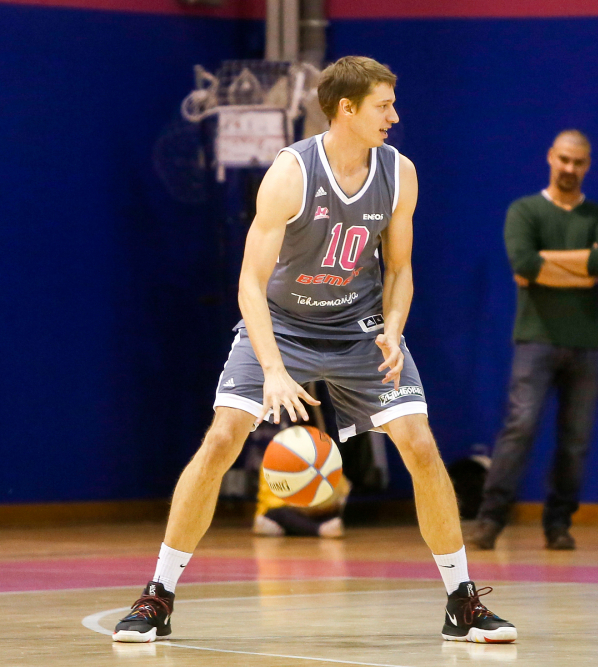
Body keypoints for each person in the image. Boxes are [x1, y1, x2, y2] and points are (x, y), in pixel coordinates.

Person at [113, 56, 516, 645]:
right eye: (383, 106)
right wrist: (273, 369)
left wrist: (394, 328)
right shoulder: (291, 173)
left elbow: (400, 269)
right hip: (282, 325)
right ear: (346, 109)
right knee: (222, 439)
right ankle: (158, 595)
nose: (394, 116)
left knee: (421, 445)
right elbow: (250, 283)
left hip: (361, 329)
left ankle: (462, 602)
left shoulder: (399, 173)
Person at [469, 130, 598, 551]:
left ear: (588, 165)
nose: (570, 168)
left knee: (576, 441)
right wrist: (577, 269)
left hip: (587, 342)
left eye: (578, 162)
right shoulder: (524, 210)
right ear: (551, 157)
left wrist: (545, 263)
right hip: (535, 339)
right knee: (520, 427)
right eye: (564, 159)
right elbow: (523, 265)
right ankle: (490, 519)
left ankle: (558, 524)